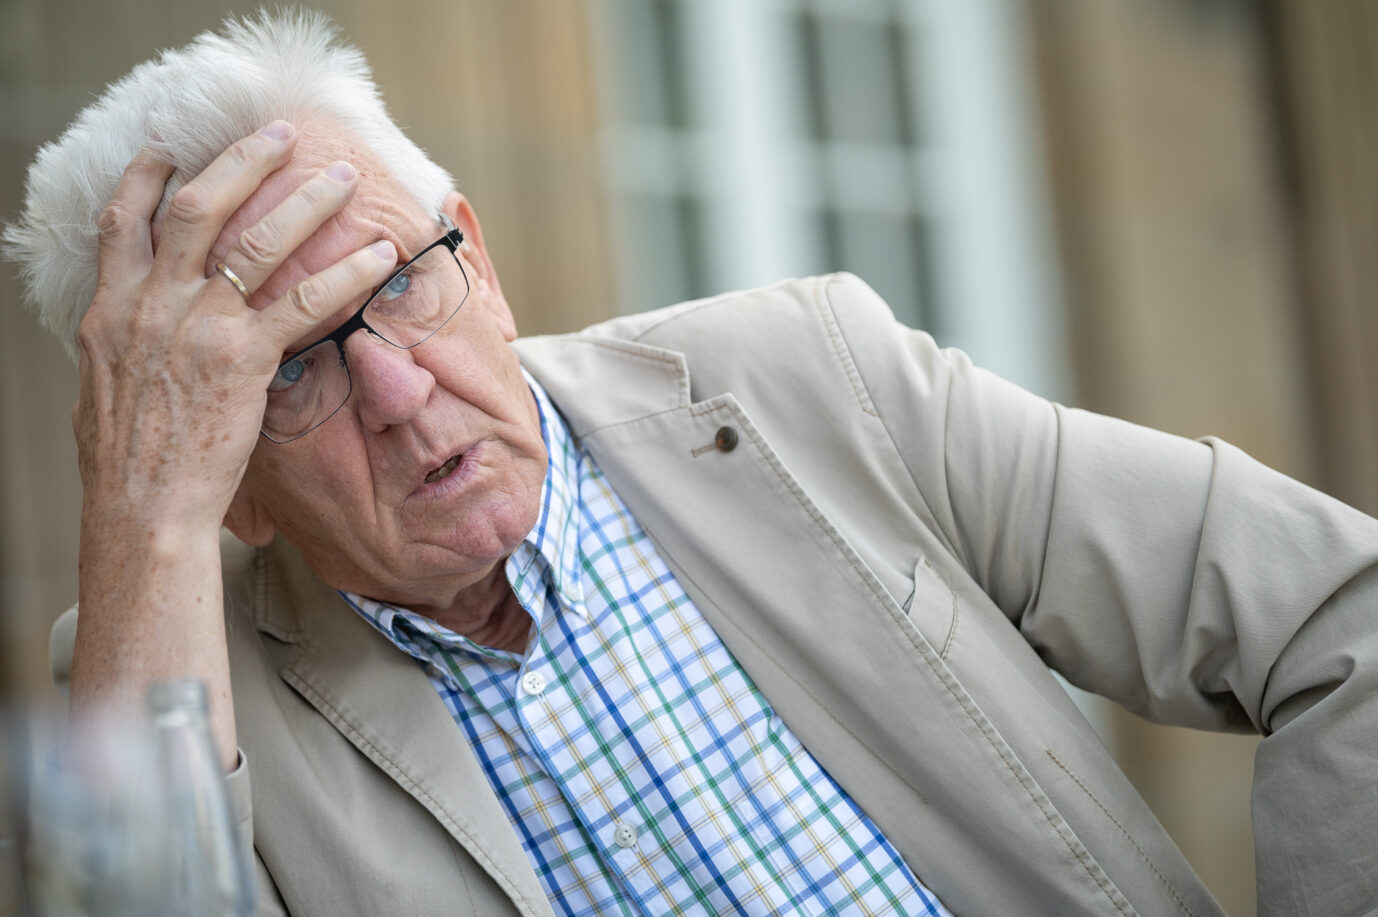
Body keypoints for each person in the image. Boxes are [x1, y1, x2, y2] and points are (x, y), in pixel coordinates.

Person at [6, 10, 1376, 917]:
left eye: (401, 284)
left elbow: (1340, 618)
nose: (401, 393)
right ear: (216, 463)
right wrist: (145, 522)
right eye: (288, 367)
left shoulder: (808, 374)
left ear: (475, 256)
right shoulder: (158, 660)